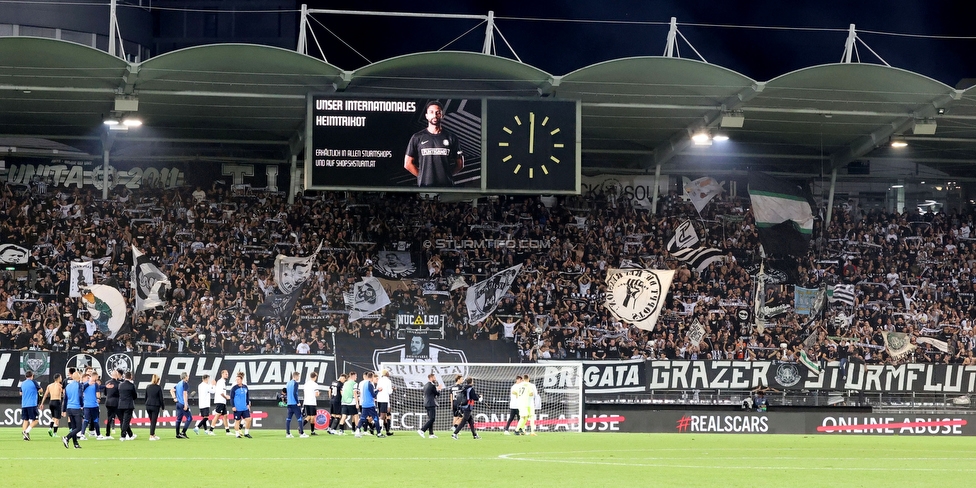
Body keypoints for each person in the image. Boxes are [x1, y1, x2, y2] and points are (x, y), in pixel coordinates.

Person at [403, 100, 464, 187]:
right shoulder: (417, 137)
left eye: (437, 112)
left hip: (446, 187)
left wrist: (446, 175)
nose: (434, 115)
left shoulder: (452, 137)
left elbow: (460, 165)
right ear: (426, 116)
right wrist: (422, 176)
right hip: (425, 187)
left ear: (442, 115)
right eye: (431, 112)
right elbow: (407, 164)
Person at [355, 371, 384, 438]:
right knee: (376, 418)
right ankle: (379, 433)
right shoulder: (370, 384)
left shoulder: (364, 383)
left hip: (364, 404)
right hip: (370, 404)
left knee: (362, 418)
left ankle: (357, 431)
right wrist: (378, 391)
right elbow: (373, 395)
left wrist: (376, 390)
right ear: (372, 377)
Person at [63, 371, 84, 449]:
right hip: (76, 407)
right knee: (79, 427)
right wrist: (82, 405)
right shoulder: (79, 385)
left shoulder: (68, 386)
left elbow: (65, 399)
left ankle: (75, 444)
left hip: (69, 408)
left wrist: (64, 410)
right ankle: (67, 438)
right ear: (79, 378)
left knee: (74, 427)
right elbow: (80, 396)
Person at [418, 373, 442, 439]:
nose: (435, 379)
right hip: (431, 403)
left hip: (426, 403)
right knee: (432, 419)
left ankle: (431, 434)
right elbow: (437, 394)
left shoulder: (426, 385)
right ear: (431, 378)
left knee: (431, 419)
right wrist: (439, 389)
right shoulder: (432, 385)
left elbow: (431, 394)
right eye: (434, 377)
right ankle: (422, 430)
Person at [19, 370, 42, 441]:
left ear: (26, 376)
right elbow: (41, 390)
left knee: (25, 420)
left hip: (24, 404)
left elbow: (20, 393)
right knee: (36, 420)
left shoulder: (23, 383)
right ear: (32, 375)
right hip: (32, 404)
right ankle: (26, 431)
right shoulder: (34, 382)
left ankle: (25, 437)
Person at [40, 373, 64, 437]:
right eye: (61, 377)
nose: (61, 378)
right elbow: (64, 393)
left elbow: (45, 395)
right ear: (58, 378)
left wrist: (42, 403)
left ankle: (50, 428)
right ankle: (55, 433)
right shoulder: (60, 386)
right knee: (57, 418)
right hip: (57, 402)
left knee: (53, 417)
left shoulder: (49, 386)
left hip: (51, 402)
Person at [230, 372, 252, 438]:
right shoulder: (234, 388)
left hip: (244, 407)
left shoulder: (245, 387)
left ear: (241, 380)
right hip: (237, 407)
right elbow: (231, 398)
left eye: (238, 379)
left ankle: (246, 433)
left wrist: (248, 404)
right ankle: (237, 434)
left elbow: (247, 396)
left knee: (248, 419)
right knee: (237, 421)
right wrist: (233, 406)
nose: (237, 381)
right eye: (236, 380)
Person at [170, 372, 192, 439]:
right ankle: (183, 432)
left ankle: (177, 434)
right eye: (187, 376)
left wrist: (174, 398)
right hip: (182, 403)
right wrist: (186, 404)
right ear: (185, 377)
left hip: (178, 404)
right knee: (189, 418)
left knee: (179, 419)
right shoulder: (185, 383)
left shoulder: (179, 383)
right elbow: (184, 394)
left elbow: (171, 390)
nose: (188, 377)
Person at [210, 369, 232, 435]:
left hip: (223, 401)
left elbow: (222, 392)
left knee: (225, 416)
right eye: (226, 374)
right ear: (222, 374)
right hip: (220, 401)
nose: (227, 375)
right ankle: (210, 430)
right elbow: (220, 393)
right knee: (217, 415)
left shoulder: (223, 382)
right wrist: (226, 397)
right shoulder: (220, 382)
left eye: (227, 374)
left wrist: (226, 396)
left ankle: (227, 431)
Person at [285, 371, 305, 438]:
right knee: (299, 418)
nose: (299, 377)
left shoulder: (288, 383)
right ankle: (301, 433)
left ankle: (288, 433)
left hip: (289, 403)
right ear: (295, 376)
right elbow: (294, 393)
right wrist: (298, 402)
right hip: (294, 403)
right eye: (298, 376)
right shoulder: (295, 383)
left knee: (288, 419)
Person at [144, 374, 165, 441]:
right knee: (153, 421)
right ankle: (151, 436)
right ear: (157, 380)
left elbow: (146, 396)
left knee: (152, 421)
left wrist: (146, 403)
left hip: (148, 405)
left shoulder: (148, 386)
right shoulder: (158, 388)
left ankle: (153, 434)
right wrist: (163, 407)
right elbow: (161, 398)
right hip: (155, 406)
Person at [117, 372, 137, 441]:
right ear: (130, 376)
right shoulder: (131, 385)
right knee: (126, 421)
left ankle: (130, 435)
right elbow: (135, 396)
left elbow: (119, 394)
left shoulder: (120, 385)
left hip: (120, 405)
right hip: (128, 405)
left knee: (124, 421)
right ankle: (123, 435)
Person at [82, 372, 102, 440]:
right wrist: (98, 398)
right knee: (95, 420)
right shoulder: (95, 384)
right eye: (97, 377)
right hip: (94, 405)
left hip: (86, 405)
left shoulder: (85, 383)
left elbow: (81, 390)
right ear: (95, 376)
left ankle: (82, 434)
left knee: (86, 420)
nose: (97, 378)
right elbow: (98, 394)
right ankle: (98, 435)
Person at [102, 369, 121, 440]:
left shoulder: (107, 383)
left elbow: (105, 393)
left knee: (109, 418)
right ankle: (125, 434)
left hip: (108, 402)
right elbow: (119, 394)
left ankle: (107, 434)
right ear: (117, 376)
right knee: (121, 418)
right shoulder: (119, 384)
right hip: (116, 403)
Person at [338, 371, 358, 435]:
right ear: (353, 376)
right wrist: (357, 402)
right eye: (356, 376)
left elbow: (342, 392)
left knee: (344, 416)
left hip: (344, 401)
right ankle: (357, 430)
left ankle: (341, 430)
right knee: (355, 415)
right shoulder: (354, 383)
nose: (356, 377)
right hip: (351, 402)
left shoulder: (345, 383)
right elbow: (354, 393)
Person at [376, 369, 394, 436]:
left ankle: (386, 430)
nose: (389, 373)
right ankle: (379, 430)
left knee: (382, 414)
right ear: (386, 373)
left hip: (379, 398)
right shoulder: (388, 381)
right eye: (388, 372)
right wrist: (392, 389)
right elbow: (389, 391)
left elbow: (377, 388)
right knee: (383, 415)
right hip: (384, 399)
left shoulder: (380, 380)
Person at [302, 371, 321, 436]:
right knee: (312, 417)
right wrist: (318, 394)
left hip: (306, 401)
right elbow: (316, 394)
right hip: (312, 402)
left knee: (309, 416)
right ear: (315, 377)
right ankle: (312, 431)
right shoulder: (315, 385)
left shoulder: (306, 384)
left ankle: (301, 427)